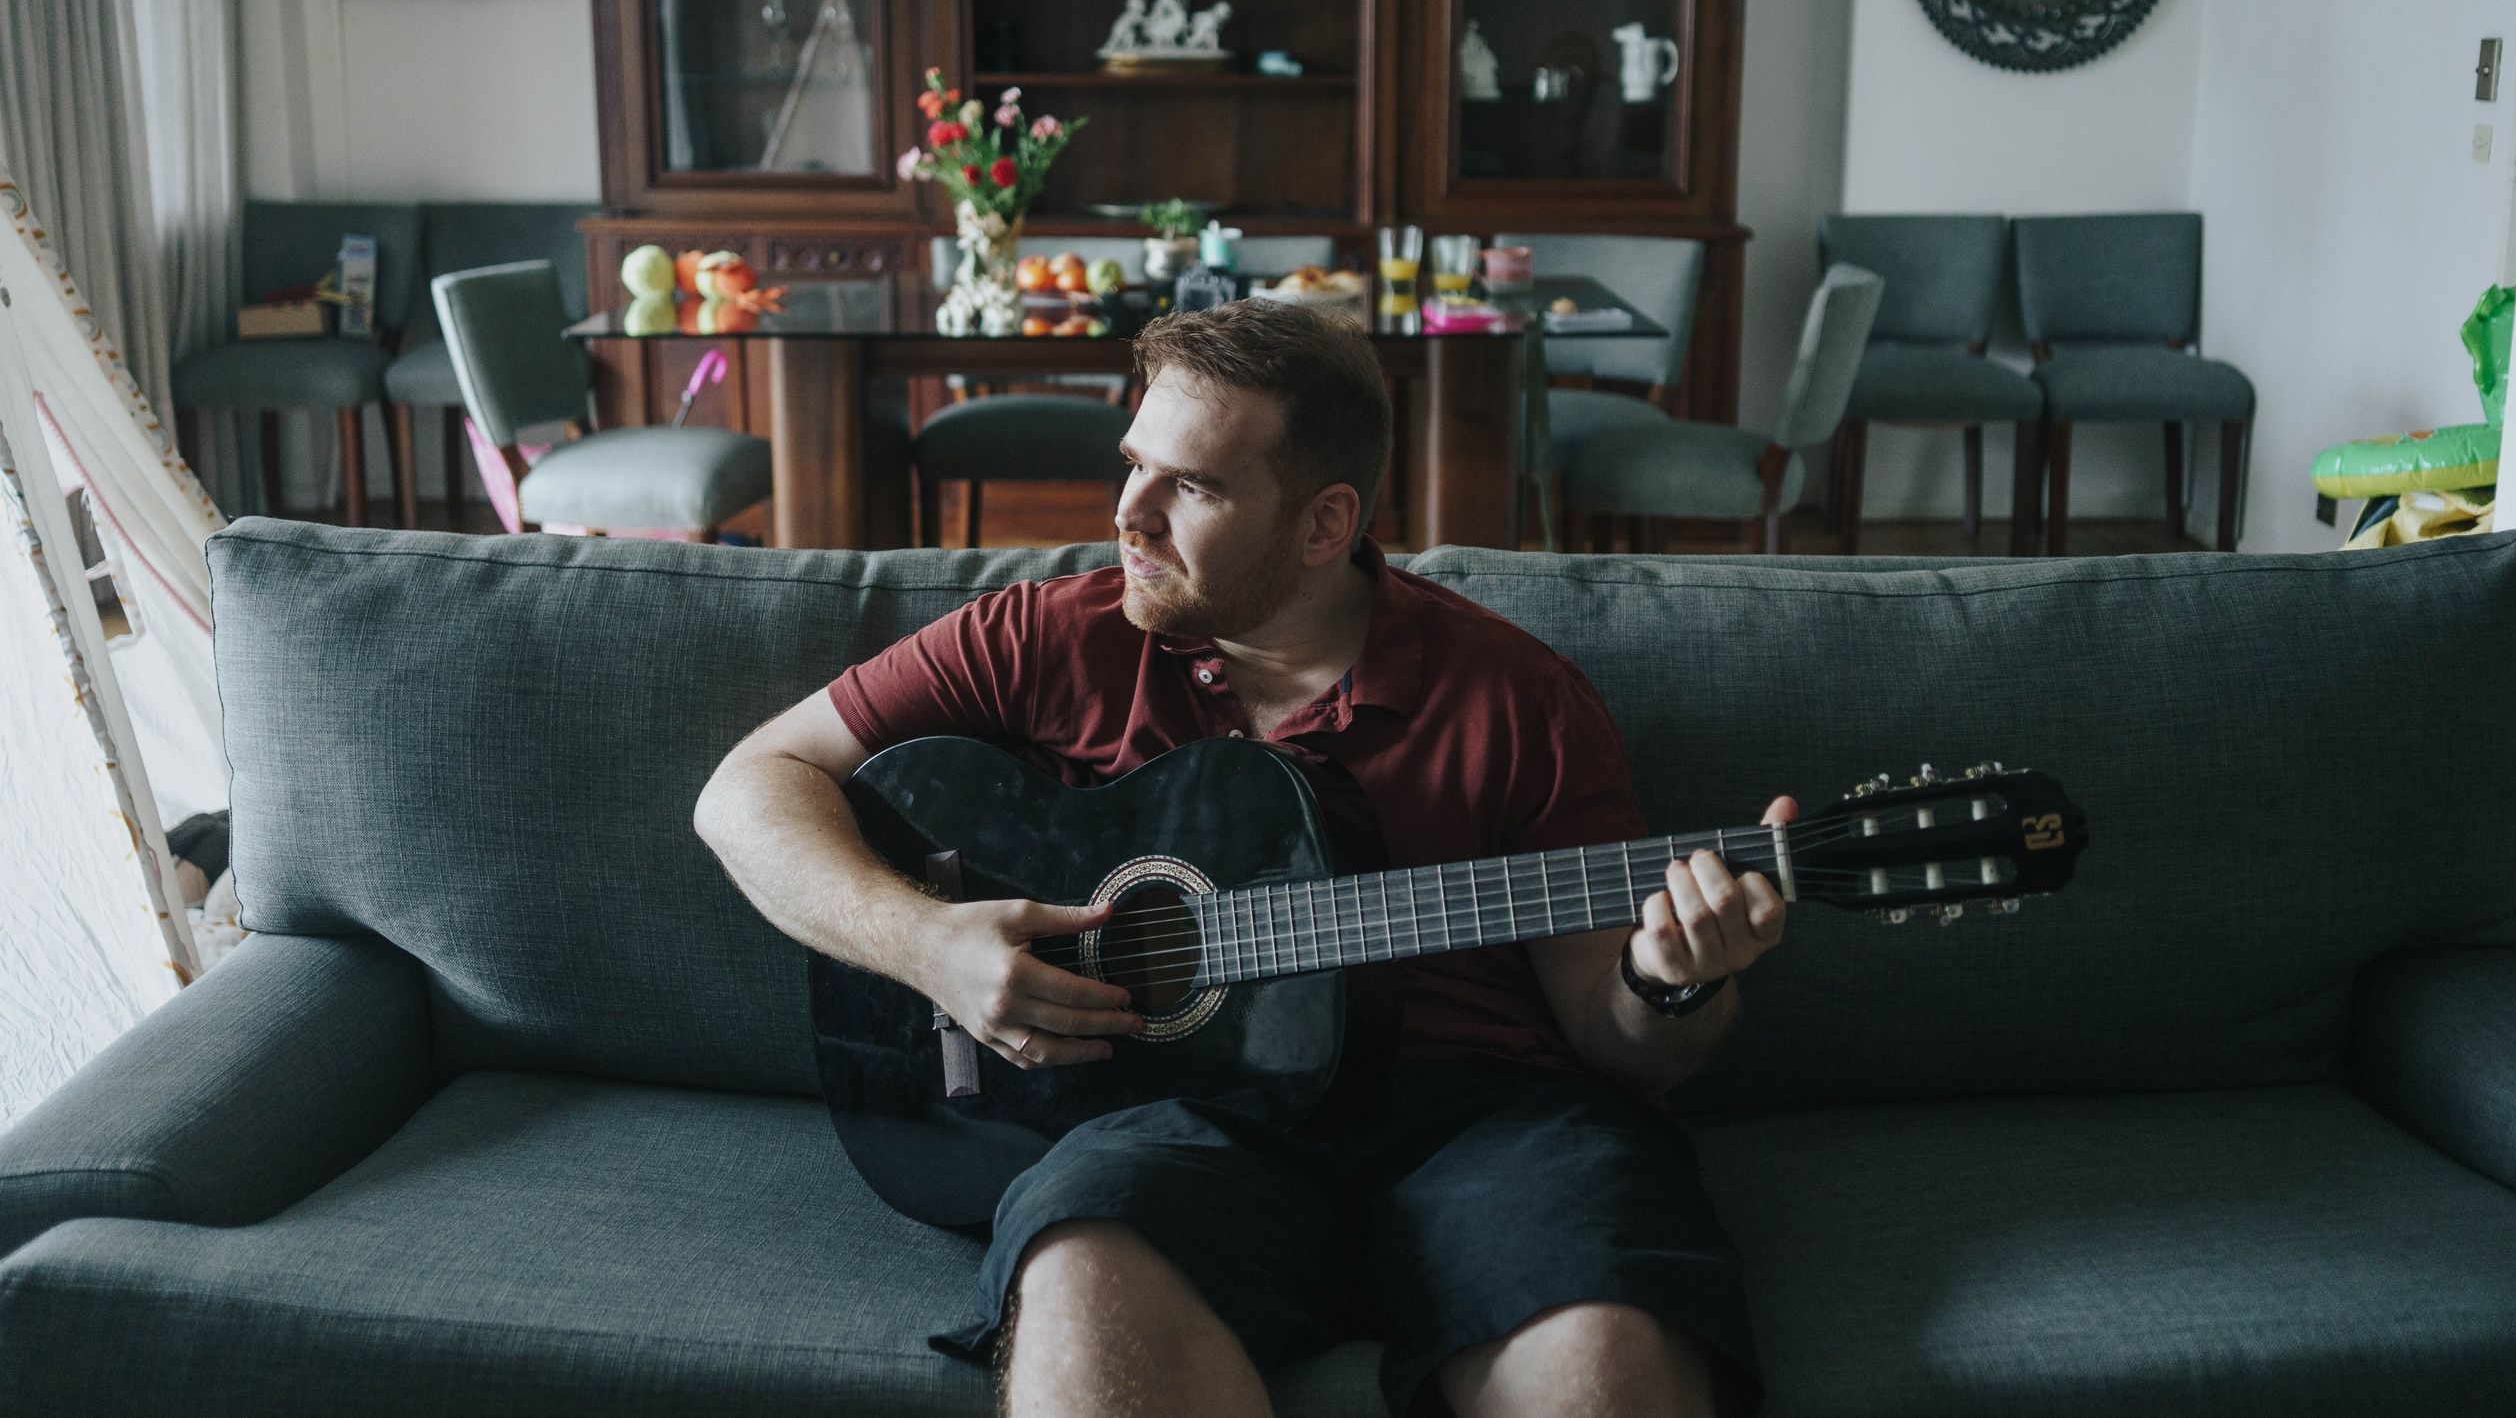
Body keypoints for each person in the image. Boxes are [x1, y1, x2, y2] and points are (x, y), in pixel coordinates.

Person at [694, 301, 1789, 1418]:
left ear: (1323, 525)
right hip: (1168, 1131)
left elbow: (1624, 1045)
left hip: (1494, 1126)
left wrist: (1675, 980)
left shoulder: (1521, 700)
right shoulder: (1043, 636)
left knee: (1610, 1372)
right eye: (1133, 464)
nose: (1129, 514)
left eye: (1194, 487)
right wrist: (924, 942)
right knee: (1078, 1283)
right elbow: (746, 790)